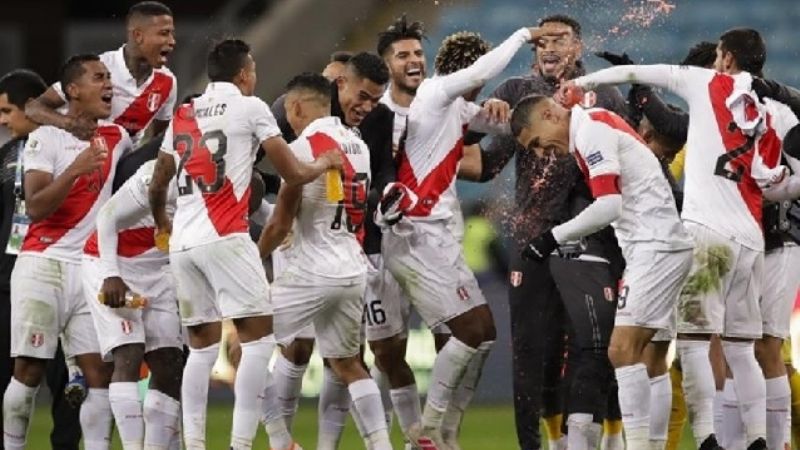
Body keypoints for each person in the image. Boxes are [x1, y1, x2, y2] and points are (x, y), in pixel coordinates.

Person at [563, 27, 800, 450]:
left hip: (708, 234)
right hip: (752, 238)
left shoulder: (704, 82)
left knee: (692, 343)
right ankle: (759, 440)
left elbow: (641, 75)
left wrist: (583, 82)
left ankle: (707, 436)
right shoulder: (774, 111)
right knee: (744, 349)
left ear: (726, 58)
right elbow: (779, 180)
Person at [147, 38, 341, 450]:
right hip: (225, 235)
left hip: (184, 243)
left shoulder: (184, 113)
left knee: (201, 350)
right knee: (258, 343)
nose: (254, 76)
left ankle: (194, 444)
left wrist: (163, 220)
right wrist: (325, 162)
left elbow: (159, 180)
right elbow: (293, 172)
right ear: (243, 75)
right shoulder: (250, 107)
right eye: (252, 70)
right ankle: (241, 445)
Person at [381, 24, 561, 448]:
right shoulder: (434, 92)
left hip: (439, 239)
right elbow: (481, 71)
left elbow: (510, 127)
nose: (414, 61)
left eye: (417, 53)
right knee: (466, 333)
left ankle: (446, 432)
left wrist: (544, 116)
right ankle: (427, 431)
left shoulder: (456, 108)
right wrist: (523, 35)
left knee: (483, 334)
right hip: (415, 235)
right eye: (404, 55)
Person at [457, 15, 629, 450]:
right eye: (541, 42)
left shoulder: (602, 92)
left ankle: (609, 438)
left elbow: (630, 160)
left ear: (578, 46)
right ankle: (543, 444)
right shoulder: (516, 92)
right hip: (533, 236)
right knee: (535, 349)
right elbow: (486, 164)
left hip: (592, 234)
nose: (549, 48)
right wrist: (458, 136)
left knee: (596, 343)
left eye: (560, 39)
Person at [510, 94, 694, 450]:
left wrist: (551, 238)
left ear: (549, 115)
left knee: (621, 350)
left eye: (536, 142)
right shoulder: (593, 123)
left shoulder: (590, 130)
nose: (541, 153)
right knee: (652, 358)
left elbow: (609, 205)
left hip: (654, 247)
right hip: (660, 244)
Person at [4, 54, 133, 450]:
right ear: (72, 90)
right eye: (98, 78)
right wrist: (76, 168)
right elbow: (37, 206)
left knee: (98, 374)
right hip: (43, 264)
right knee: (28, 370)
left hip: (89, 269)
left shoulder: (118, 137)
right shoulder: (45, 138)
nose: (108, 84)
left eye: (109, 77)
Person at [258, 71, 391, 450]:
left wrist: (253, 259)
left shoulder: (301, 149)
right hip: (351, 269)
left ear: (296, 107)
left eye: (288, 110)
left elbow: (280, 224)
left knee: (244, 345)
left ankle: (280, 441)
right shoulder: (358, 145)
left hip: (312, 271)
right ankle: (382, 445)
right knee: (349, 364)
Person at [0, 69, 83, 450]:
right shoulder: (6, 155)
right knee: (14, 378)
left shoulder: (68, 146)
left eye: (7, 111)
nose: (3, 120)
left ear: (32, 107)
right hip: (9, 282)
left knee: (69, 386)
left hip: (60, 273)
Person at [26, 1, 176, 145]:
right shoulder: (99, 69)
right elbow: (33, 109)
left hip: (126, 160)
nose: (172, 41)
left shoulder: (167, 82)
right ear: (138, 36)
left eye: (171, 34)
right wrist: (70, 124)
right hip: (79, 154)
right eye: (164, 33)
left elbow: (160, 139)